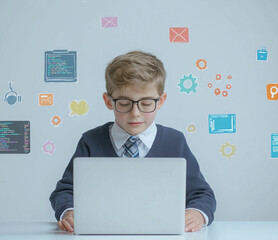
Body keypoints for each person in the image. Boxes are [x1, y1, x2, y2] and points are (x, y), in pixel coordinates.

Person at [49, 50, 216, 232]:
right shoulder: (91, 141)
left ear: (160, 101)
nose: (135, 113)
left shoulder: (175, 141)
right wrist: (70, 212)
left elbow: (202, 194)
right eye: (124, 103)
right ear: (108, 101)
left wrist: (197, 213)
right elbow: (65, 191)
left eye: (146, 103)